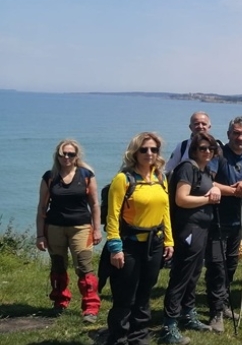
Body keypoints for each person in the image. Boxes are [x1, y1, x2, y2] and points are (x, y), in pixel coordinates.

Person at [104, 132, 174, 345]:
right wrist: (115, 247)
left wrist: (169, 241)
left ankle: (139, 337)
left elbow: (165, 211)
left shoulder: (160, 178)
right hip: (129, 246)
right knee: (125, 296)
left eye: (154, 149)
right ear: (135, 152)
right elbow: (113, 215)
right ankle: (119, 338)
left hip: (154, 245)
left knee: (144, 294)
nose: (149, 153)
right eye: (144, 149)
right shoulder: (123, 179)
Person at [160, 133, 223, 342]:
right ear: (194, 150)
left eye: (211, 148)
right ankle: (169, 325)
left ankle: (187, 314)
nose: (207, 152)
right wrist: (208, 199)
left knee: (194, 274)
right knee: (181, 275)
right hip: (188, 229)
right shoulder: (188, 168)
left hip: (201, 229)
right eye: (202, 148)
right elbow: (181, 199)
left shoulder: (204, 171)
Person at [35, 139, 101, 322]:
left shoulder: (86, 175)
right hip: (54, 228)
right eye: (63, 153)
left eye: (71, 154)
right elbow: (42, 207)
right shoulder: (50, 177)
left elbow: (95, 204)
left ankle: (90, 308)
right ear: (57, 155)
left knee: (84, 266)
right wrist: (40, 235)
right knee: (58, 265)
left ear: (76, 156)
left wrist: (97, 229)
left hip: (81, 228)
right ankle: (60, 301)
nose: (66, 157)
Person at [206, 116, 242, 332]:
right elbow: (207, 181)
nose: (240, 137)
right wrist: (232, 191)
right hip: (216, 222)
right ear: (229, 134)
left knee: (230, 265)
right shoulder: (218, 155)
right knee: (217, 267)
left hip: (238, 221)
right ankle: (215, 313)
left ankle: (223, 303)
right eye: (236, 133)